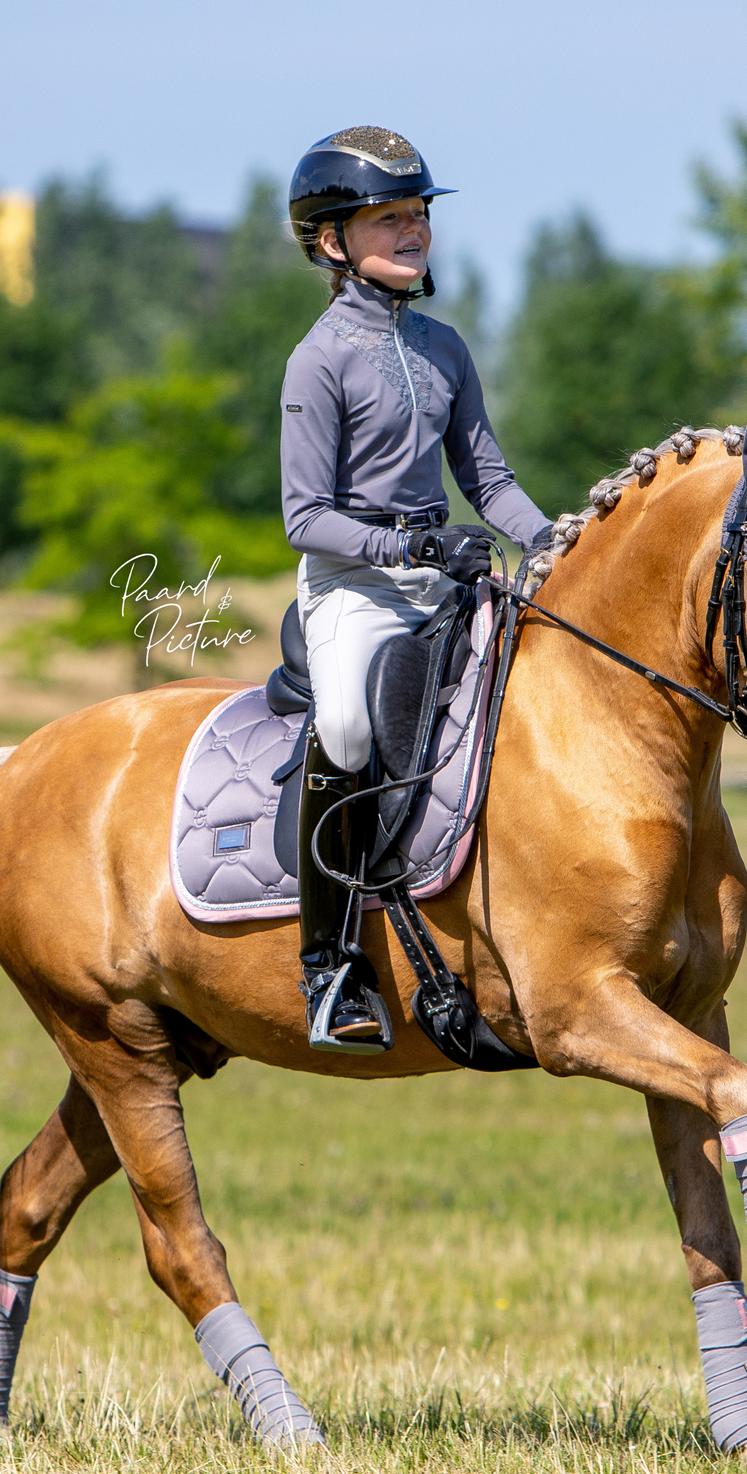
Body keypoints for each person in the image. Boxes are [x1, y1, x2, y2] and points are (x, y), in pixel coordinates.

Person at [282, 125, 553, 1052]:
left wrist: (555, 539)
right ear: (332, 241)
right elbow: (304, 515)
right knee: (350, 728)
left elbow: (491, 481)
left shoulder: (444, 348)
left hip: (444, 581)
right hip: (353, 589)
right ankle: (330, 965)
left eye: (419, 216)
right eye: (389, 218)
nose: (413, 232)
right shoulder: (318, 360)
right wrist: (404, 546)